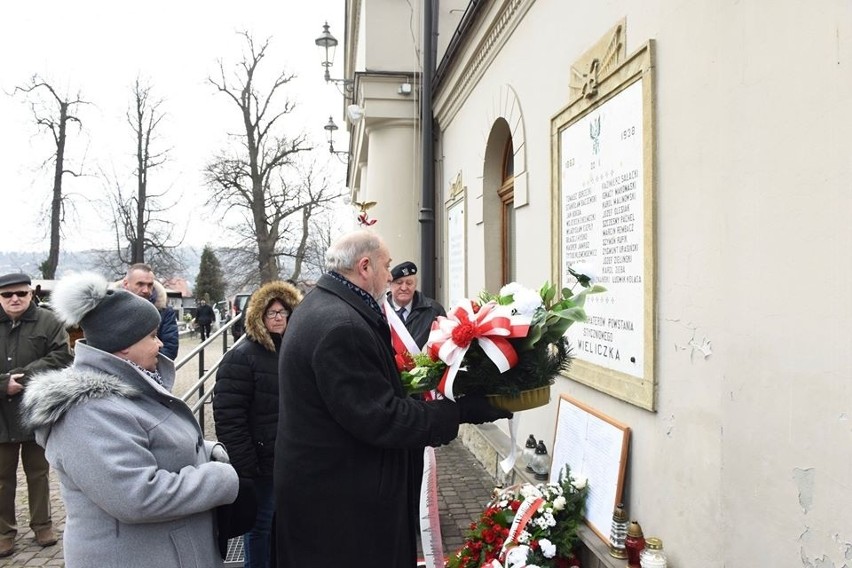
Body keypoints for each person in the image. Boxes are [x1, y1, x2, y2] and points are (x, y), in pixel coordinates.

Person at [273, 229, 511, 567]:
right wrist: (458, 412)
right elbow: (381, 418)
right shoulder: (342, 326)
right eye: (387, 266)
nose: (390, 276)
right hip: (344, 513)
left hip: (326, 498)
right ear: (365, 266)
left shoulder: (323, 305)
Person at [21, 272, 240, 568]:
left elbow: (158, 446)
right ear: (123, 343)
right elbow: (136, 495)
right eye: (151, 336)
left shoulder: (133, 387)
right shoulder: (87, 411)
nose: (160, 344)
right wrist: (220, 479)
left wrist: (207, 451)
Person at [214, 281, 302, 568]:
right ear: (258, 318)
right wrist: (245, 465)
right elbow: (229, 416)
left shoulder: (296, 353)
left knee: (286, 525)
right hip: (261, 461)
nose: (278, 318)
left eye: (283, 312)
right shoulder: (240, 358)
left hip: (291, 457)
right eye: (271, 313)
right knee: (260, 528)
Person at [0, 273, 71, 557]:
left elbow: (63, 356)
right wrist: (3, 383)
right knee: (2, 478)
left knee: (39, 473)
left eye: (21, 293)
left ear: (31, 293)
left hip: (36, 408)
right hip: (1, 415)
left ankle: (43, 525)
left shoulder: (49, 321)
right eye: (7, 295)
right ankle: (4, 532)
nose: (14, 299)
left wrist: (25, 377)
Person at [121, 263, 179, 359]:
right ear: (126, 284)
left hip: (151, 371)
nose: (146, 290)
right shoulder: (110, 309)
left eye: (150, 285)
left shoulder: (164, 311)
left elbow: (170, 350)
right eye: (140, 284)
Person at [386, 260, 446, 349]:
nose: (404, 288)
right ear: (390, 285)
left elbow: (443, 346)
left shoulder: (434, 311)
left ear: (415, 285)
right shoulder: (380, 310)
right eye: (399, 283)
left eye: (409, 283)